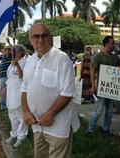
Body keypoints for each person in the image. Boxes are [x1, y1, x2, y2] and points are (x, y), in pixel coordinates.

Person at [21, 23, 80, 158]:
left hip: (58, 124)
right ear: (30, 40)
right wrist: (25, 111)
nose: (40, 40)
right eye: (36, 36)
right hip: (37, 124)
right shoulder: (30, 61)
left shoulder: (61, 58)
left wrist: (50, 114)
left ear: (51, 38)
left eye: (44, 35)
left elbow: (68, 92)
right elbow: (24, 88)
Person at [87, 36, 120, 134]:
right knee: (98, 110)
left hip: (112, 90)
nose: (114, 45)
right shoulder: (98, 56)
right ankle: (90, 129)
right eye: (112, 43)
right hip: (101, 89)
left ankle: (106, 130)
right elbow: (92, 70)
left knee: (109, 111)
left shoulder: (115, 57)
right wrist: (93, 85)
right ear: (106, 44)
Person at [5, 45, 28, 148]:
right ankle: (14, 134)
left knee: (21, 116)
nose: (13, 52)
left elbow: (22, 77)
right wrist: (5, 88)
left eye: (15, 51)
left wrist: (18, 65)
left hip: (19, 92)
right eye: (12, 51)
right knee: (12, 115)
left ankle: (21, 137)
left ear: (21, 52)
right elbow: (9, 77)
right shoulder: (12, 62)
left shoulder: (25, 62)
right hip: (10, 92)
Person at [0, 46, 12, 111]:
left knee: (8, 91)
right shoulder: (3, 57)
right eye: (5, 49)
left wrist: (9, 43)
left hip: (8, 77)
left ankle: (8, 105)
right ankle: (3, 106)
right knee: (2, 91)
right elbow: (1, 65)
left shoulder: (12, 56)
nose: (7, 50)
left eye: (8, 49)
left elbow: (15, 49)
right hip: (2, 76)